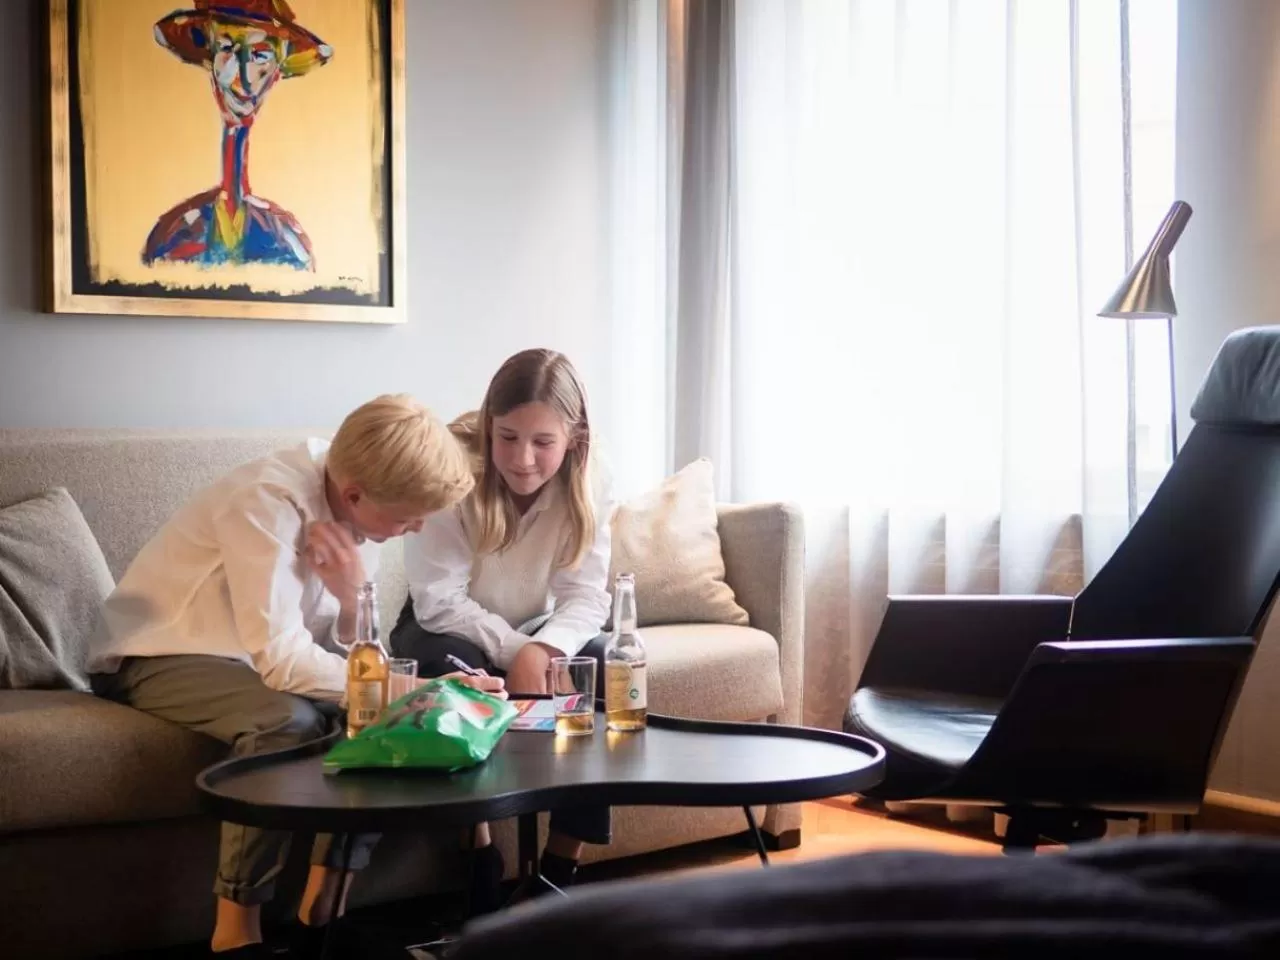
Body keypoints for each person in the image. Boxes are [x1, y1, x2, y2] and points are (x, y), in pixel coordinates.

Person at [88, 395, 503, 959]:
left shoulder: (358, 508)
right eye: (408, 516)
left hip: (247, 660)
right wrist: (418, 688)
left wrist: (355, 598)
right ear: (355, 495)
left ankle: (322, 908)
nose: (416, 527)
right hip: (155, 654)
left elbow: (354, 662)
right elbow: (284, 661)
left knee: (371, 711)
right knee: (290, 721)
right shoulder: (265, 502)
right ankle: (236, 933)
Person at [391, 348, 616, 912]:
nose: (522, 459)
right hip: (447, 626)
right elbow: (439, 599)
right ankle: (479, 849)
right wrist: (520, 652)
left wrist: (543, 648)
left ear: (574, 439)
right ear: (489, 424)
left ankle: (559, 867)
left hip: (541, 628)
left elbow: (585, 597)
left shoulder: (592, 480)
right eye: (508, 436)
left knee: (604, 662)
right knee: (443, 664)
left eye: (543, 442)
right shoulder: (451, 469)